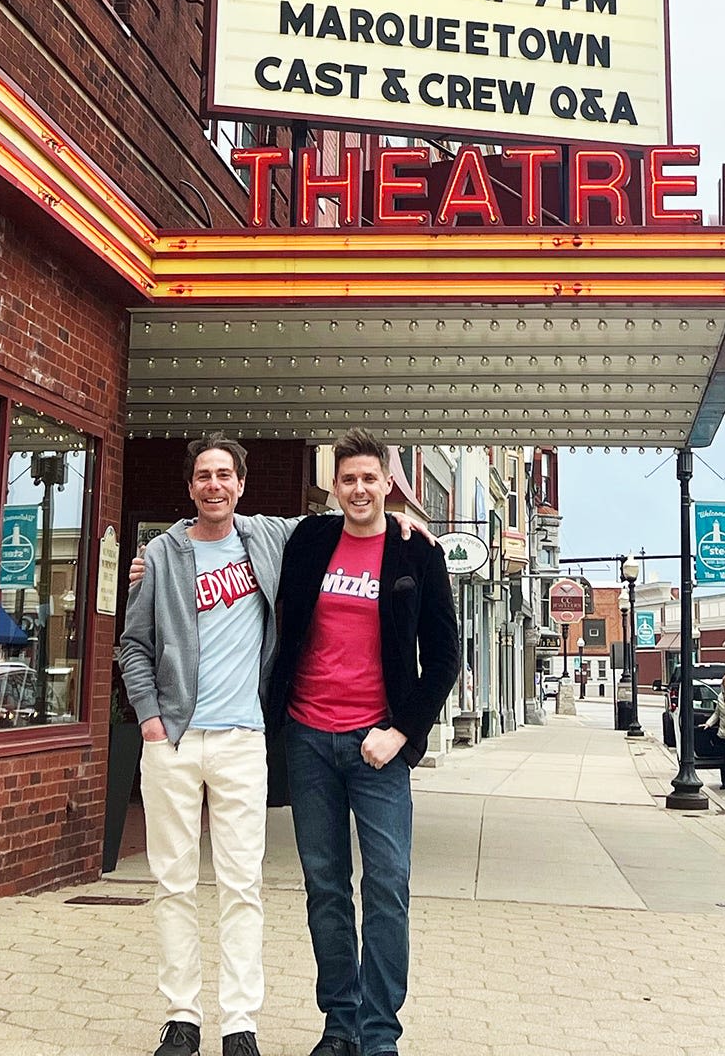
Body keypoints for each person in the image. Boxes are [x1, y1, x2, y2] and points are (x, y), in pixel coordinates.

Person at [119, 437, 429, 1056]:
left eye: (225, 475)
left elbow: (346, 513)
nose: (214, 485)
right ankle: (182, 1017)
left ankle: (240, 1024)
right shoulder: (162, 554)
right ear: (191, 487)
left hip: (243, 738)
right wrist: (151, 719)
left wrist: (397, 519)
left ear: (241, 485)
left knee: (242, 886)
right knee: (173, 883)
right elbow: (133, 644)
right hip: (174, 741)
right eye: (203, 475)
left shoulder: (269, 538)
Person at [267, 430, 460, 1056]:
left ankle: (379, 1034)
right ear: (334, 486)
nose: (358, 489)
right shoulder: (309, 539)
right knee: (324, 884)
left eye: (369, 479)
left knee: (387, 886)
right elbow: (227, 522)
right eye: (347, 479)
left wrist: (403, 730)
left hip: (378, 746)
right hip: (308, 738)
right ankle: (339, 1023)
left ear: (387, 486)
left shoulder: (415, 554)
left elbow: (446, 657)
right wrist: (157, 553)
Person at [704, 672, 725, 788]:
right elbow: (717, 713)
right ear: (723, 685)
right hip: (722, 733)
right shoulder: (720, 697)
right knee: (724, 760)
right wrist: (708, 724)